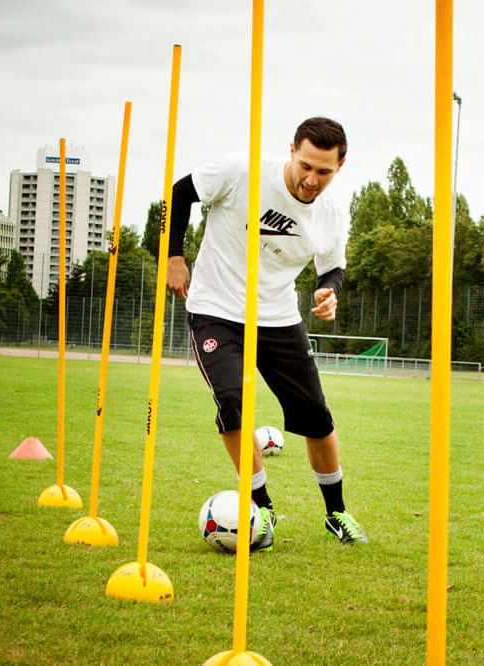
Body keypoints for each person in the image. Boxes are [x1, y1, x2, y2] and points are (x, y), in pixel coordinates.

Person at [167, 116, 367, 550]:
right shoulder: (243, 171)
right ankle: (261, 506)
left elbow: (334, 266)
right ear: (292, 150)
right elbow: (180, 193)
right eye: (306, 166)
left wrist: (328, 291)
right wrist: (174, 257)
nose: (311, 179)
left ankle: (336, 513)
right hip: (215, 309)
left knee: (315, 414)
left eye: (324, 172)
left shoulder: (332, 213)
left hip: (278, 317)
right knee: (233, 401)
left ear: (341, 166)